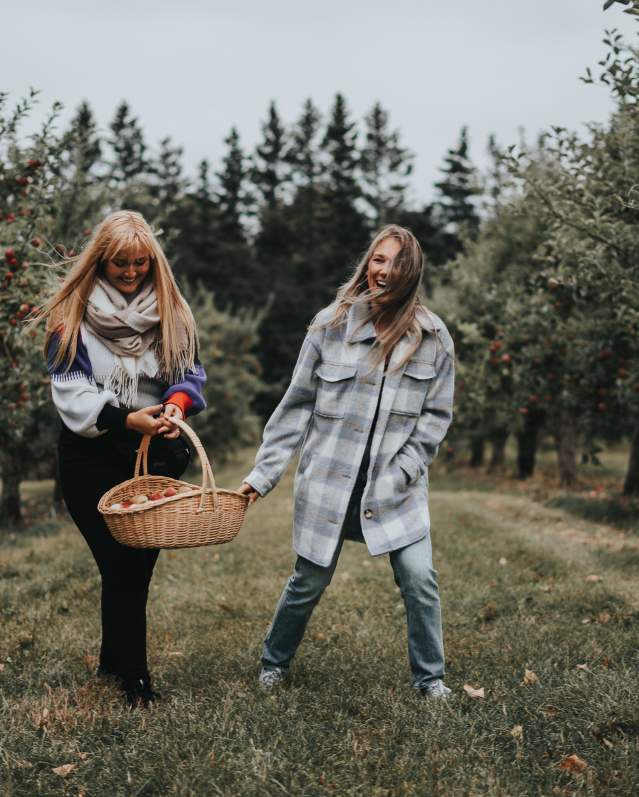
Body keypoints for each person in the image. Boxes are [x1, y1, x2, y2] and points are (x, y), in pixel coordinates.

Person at [239, 225, 455, 698]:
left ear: (411, 272)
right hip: (330, 485)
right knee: (308, 580)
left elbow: (436, 418)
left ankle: (430, 678)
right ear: (367, 264)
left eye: (396, 263)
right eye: (379, 259)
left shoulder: (434, 338)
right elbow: (295, 407)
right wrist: (263, 475)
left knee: (420, 580)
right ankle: (273, 662)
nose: (385, 271)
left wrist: (405, 470)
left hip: (394, 488)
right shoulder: (329, 326)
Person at [36, 210, 206, 707]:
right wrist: (126, 418)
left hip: (156, 453)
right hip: (92, 453)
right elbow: (69, 392)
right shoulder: (71, 317)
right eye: (119, 265)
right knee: (120, 562)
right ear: (100, 263)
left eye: (140, 263)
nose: (131, 273)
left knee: (135, 566)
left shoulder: (172, 310)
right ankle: (135, 682)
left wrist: (174, 407)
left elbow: (190, 373)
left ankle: (118, 665)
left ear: (153, 262)